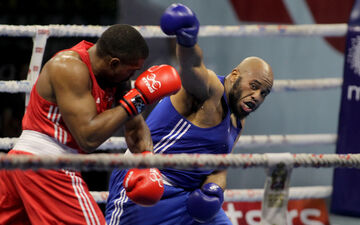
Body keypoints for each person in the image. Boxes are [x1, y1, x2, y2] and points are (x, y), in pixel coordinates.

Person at [105, 4, 274, 225]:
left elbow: (219, 170)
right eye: (254, 86)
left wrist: (213, 191)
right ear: (235, 75)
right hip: (150, 181)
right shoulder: (211, 91)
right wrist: (187, 40)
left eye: (264, 93)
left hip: (190, 197)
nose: (257, 96)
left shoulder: (237, 122)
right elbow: (192, 67)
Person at [0, 24, 181, 225]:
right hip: (46, 163)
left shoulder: (116, 77)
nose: (132, 77)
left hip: (28, 166)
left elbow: (135, 127)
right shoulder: (69, 67)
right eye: (131, 71)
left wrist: (147, 163)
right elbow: (88, 137)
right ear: (114, 63)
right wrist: (139, 99)